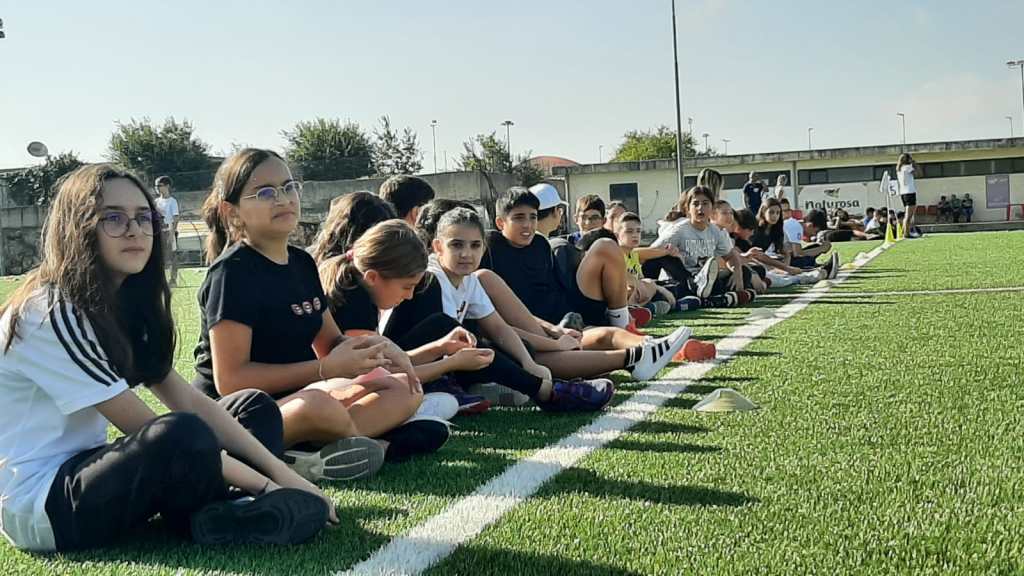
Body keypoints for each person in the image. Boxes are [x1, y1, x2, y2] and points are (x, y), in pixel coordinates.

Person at [0, 164, 336, 552]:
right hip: (47, 506)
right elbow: (143, 425)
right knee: (178, 433)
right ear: (77, 229)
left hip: (94, 466)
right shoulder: (48, 313)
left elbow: (186, 397)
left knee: (251, 408)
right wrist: (268, 486)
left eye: (144, 218)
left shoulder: (121, 301)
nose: (135, 231)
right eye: (113, 218)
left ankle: (222, 513)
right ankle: (238, 504)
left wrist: (285, 477)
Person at [195, 148, 421, 482]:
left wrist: (384, 349)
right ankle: (382, 444)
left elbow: (331, 342)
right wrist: (324, 370)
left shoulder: (301, 263)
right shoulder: (232, 273)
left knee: (403, 388)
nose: (283, 199)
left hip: (297, 398)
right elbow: (230, 381)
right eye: (266, 192)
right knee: (318, 406)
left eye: (289, 187)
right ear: (233, 211)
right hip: (240, 414)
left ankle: (308, 452)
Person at [429, 208, 615, 411]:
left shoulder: (469, 279)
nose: (466, 254)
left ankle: (489, 388)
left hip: (445, 362)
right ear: (438, 247)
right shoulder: (432, 279)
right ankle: (548, 392)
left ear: (483, 248)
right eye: (456, 245)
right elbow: (445, 341)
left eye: (475, 245)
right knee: (469, 340)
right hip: (419, 366)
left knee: (517, 349)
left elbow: (498, 327)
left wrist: (529, 364)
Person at [154, 176, 180, 287]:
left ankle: (173, 279)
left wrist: (171, 233)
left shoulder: (172, 201)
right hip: (158, 232)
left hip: (169, 231)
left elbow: (175, 218)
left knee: (172, 256)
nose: (157, 188)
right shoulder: (156, 202)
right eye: (156, 186)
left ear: (167, 186)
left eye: (159, 185)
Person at [897, 153, 920, 238]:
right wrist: (915, 165)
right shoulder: (907, 167)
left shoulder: (899, 169)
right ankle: (906, 233)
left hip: (903, 193)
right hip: (910, 192)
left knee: (907, 214)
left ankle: (904, 232)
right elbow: (918, 174)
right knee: (909, 215)